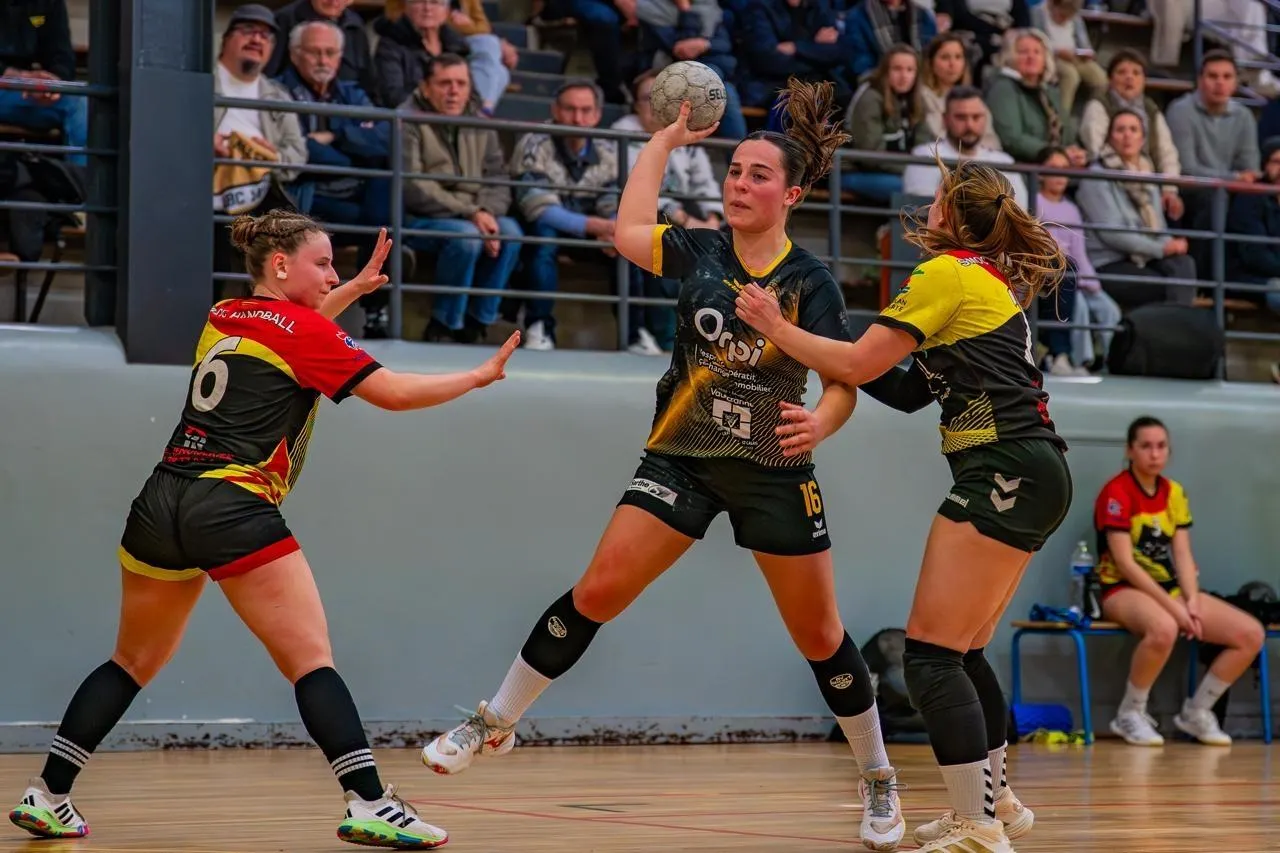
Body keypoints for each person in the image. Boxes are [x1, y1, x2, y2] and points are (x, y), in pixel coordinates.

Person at [421, 82, 910, 852]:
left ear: (791, 194)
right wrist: (663, 141)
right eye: (734, 171)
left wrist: (822, 420)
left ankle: (878, 773)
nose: (738, 184)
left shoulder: (808, 282)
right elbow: (627, 231)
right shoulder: (701, 250)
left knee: (820, 634)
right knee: (597, 589)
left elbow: (845, 379)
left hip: (772, 467)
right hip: (682, 456)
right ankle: (496, 720)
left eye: (756, 175)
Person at [7, 211, 520, 849]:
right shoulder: (305, 332)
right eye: (323, 263)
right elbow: (391, 392)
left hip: (161, 499)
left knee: (130, 661)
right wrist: (476, 377)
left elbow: (290, 328)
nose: (331, 275)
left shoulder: (225, 314)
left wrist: (350, 290)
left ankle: (48, 794)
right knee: (312, 663)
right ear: (280, 265)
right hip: (231, 501)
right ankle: (370, 803)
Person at [736, 158, 1073, 853]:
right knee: (964, 650)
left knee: (930, 656)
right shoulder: (983, 280)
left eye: (940, 195)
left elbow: (860, 366)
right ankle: (996, 802)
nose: (930, 203)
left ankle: (978, 826)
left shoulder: (945, 273)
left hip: (1005, 466)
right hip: (1030, 469)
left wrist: (777, 325)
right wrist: (818, 335)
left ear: (952, 213)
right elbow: (905, 390)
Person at [1094, 416, 1265, 747]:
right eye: (1146, 446)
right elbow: (1126, 564)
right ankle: (1130, 712)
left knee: (1250, 634)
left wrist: (1191, 602)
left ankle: (1197, 712)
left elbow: (1183, 554)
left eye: (1161, 446)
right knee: (1165, 628)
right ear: (1130, 450)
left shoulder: (1174, 492)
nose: (1154, 454)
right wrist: (1175, 609)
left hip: (1169, 589)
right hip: (1122, 589)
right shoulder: (1116, 492)